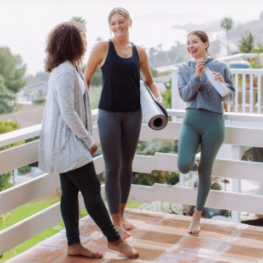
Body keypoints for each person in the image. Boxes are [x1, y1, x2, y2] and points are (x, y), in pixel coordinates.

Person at [39, 21, 139, 259]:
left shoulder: (68, 68)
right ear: (76, 43)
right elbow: (68, 111)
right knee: (92, 189)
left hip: (66, 143)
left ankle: (73, 244)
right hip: (68, 144)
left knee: (70, 192)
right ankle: (114, 240)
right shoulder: (64, 71)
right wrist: (87, 140)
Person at [84, 7, 163, 239]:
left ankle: (122, 214)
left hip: (133, 114)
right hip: (108, 114)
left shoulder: (139, 52)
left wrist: (157, 100)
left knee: (127, 165)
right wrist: (83, 110)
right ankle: (115, 223)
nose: (118, 26)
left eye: (121, 22)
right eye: (113, 23)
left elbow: (150, 81)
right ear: (110, 26)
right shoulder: (102, 48)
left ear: (130, 22)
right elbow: (85, 80)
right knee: (112, 167)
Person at [177, 30, 235, 234]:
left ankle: (197, 216)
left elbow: (229, 98)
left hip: (214, 123)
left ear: (205, 43)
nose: (191, 46)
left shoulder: (221, 66)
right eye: (188, 43)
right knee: (184, 165)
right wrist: (197, 76)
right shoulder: (183, 68)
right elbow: (185, 95)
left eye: (195, 42)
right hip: (191, 120)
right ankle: (195, 160)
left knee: (205, 172)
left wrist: (222, 84)